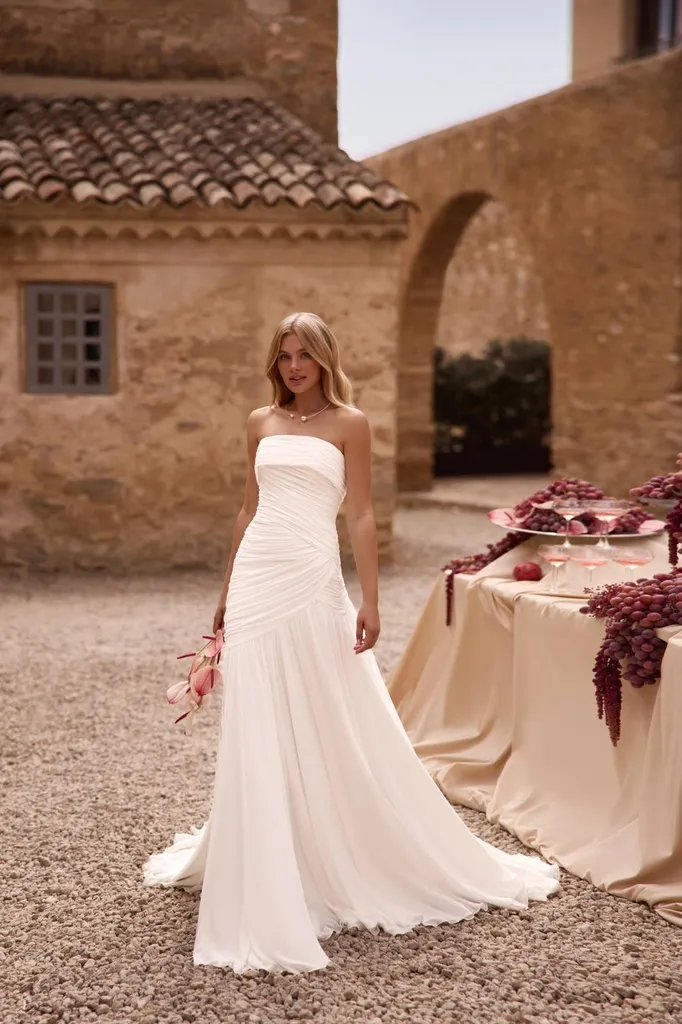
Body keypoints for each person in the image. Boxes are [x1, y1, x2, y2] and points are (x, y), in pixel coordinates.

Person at [143, 312, 560, 974]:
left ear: (325, 359)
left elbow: (361, 513)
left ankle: (332, 845)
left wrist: (370, 598)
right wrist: (225, 592)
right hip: (257, 577)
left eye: (304, 355)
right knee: (256, 716)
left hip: (311, 578)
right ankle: (262, 855)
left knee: (328, 703)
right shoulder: (259, 422)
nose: (293, 367)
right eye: (284, 357)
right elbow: (247, 510)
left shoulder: (350, 424)